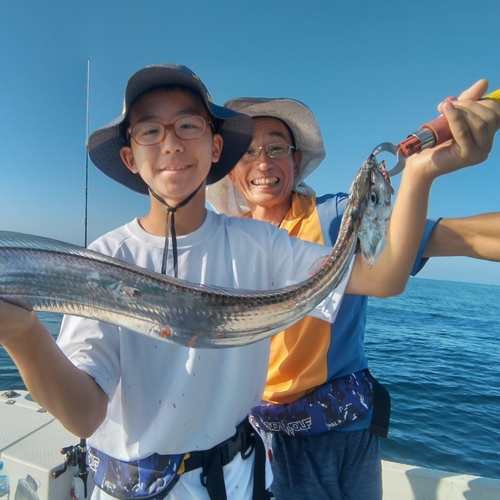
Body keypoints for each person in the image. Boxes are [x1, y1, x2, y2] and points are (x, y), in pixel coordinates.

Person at [0, 64, 495, 500]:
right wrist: (21, 334)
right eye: (149, 130)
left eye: (188, 125)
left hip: (239, 480)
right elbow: (84, 415)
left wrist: (421, 174)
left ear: (215, 148)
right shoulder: (103, 261)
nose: (171, 141)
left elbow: (384, 276)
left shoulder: (263, 245)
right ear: (130, 156)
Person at [206, 85, 500, 500]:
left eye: (276, 148)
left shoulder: (335, 217)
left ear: (296, 160)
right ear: (233, 170)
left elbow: (457, 237)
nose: (263, 163)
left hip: (347, 430)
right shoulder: (223, 244)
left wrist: (422, 170)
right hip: (268, 440)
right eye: (248, 153)